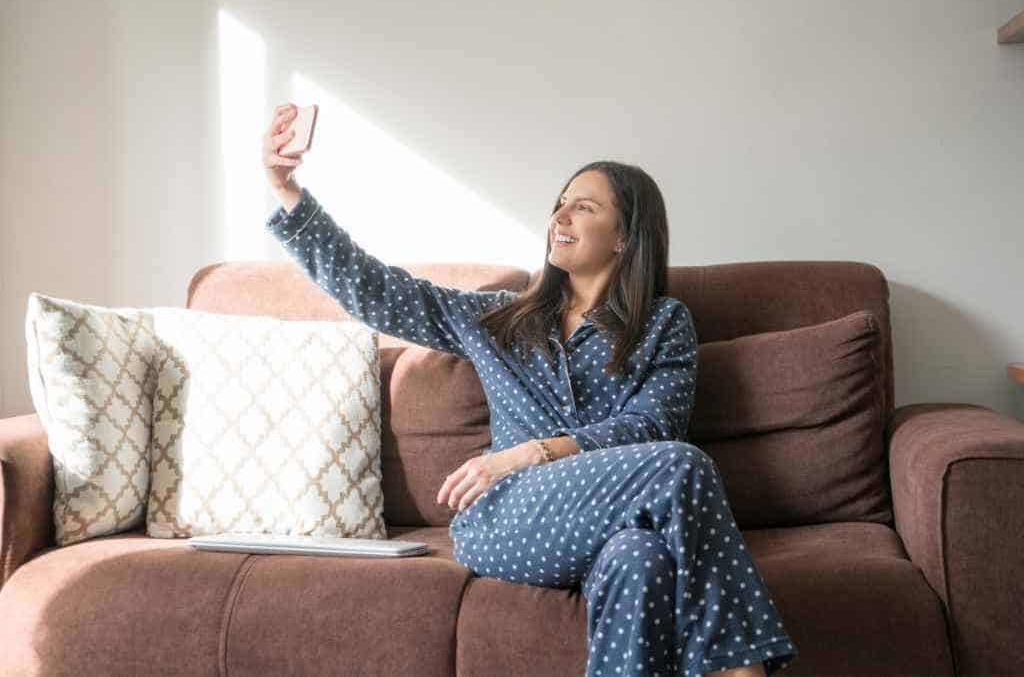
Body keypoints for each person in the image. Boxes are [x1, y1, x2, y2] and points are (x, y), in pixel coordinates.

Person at [261, 103, 798, 677]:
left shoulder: (663, 324)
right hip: (507, 519)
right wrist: (285, 188)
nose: (559, 215)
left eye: (583, 207)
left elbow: (652, 427)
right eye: (559, 203)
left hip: (612, 522)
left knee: (641, 561)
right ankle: (743, 671)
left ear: (624, 238)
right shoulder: (498, 318)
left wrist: (528, 452)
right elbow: (375, 290)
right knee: (683, 466)